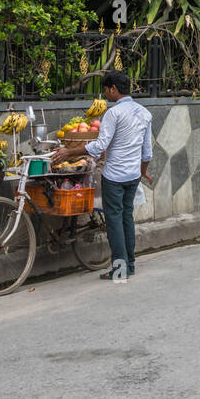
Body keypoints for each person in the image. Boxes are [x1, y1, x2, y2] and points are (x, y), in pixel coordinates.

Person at [51, 70, 153, 280]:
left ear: (113, 89)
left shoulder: (113, 113)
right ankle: (130, 265)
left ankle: (120, 269)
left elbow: (99, 146)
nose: (105, 95)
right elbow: (147, 151)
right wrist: (143, 172)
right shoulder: (144, 113)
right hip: (133, 175)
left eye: (106, 90)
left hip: (115, 176)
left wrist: (69, 152)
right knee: (126, 218)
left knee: (114, 221)